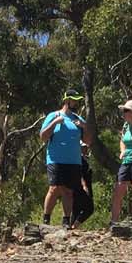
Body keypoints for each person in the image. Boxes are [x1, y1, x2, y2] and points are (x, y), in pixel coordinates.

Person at [40, 90, 90, 228]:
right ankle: (46, 219)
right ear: (67, 101)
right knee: (54, 188)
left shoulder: (78, 119)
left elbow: (88, 141)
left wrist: (84, 127)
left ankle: (66, 221)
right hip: (55, 159)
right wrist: (55, 122)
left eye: (77, 100)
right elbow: (43, 136)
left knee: (68, 191)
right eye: (74, 100)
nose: (76, 103)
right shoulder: (53, 115)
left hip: (74, 161)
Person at [73, 141, 96, 225]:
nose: (85, 149)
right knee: (89, 208)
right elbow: (79, 173)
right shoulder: (78, 159)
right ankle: (73, 226)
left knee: (77, 210)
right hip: (79, 188)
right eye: (83, 147)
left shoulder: (85, 159)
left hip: (85, 187)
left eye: (86, 147)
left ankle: (72, 226)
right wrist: (84, 185)